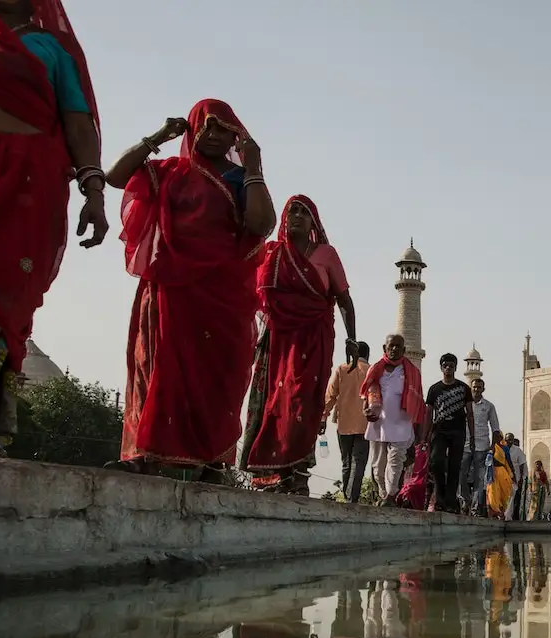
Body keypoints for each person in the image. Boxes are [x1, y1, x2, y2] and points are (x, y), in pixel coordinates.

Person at [105, 99, 276, 481]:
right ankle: (147, 453)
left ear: (236, 136)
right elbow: (116, 176)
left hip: (222, 294)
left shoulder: (237, 177)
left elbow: (261, 224)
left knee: (217, 376)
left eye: (224, 130)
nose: (214, 136)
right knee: (158, 366)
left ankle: (210, 459)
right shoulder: (169, 171)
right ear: (192, 129)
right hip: (170, 288)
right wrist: (158, 137)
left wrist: (254, 168)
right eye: (207, 127)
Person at [0, 0, 107, 456]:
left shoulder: (52, 50)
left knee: (1, 296)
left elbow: (76, 120)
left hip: (27, 187)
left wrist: (94, 190)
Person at [239, 195, 356, 494]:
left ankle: (299, 473)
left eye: (305, 212)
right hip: (277, 340)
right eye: (293, 211)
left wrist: (351, 338)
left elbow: (343, 299)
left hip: (312, 338)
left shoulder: (326, 254)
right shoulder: (272, 253)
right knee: (274, 404)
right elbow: (255, 296)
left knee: (302, 402)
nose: (297, 217)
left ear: (314, 222)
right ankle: (277, 475)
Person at [361, 334, 425, 502]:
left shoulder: (412, 372)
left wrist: (418, 433)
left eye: (398, 346)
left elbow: (419, 402)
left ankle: (390, 495)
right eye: (391, 346)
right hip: (380, 422)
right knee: (378, 465)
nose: (395, 349)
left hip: (402, 423)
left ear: (404, 350)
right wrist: (366, 411)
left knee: (396, 460)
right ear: (385, 348)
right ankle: (384, 493)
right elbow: (367, 393)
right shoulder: (376, 369)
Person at [422, 353, 475, 513]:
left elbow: (470, 413)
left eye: (451, 366)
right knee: (436, 463)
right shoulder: (434, 389)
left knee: (454, 466)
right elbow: (428, 414)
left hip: (458, 431)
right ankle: (440, 497)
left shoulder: (464, 388)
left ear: (455, 368)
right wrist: (424, 436)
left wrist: (472, 436)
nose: (448, 368)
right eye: (445, 365)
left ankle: (450, 502)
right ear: (441, 367)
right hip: (439, 430)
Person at [323, 341, 370, 503]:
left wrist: (324, 417)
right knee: (358, 461)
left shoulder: (342, 369)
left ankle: (347, 494)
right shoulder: (371, 371)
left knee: (346, 462)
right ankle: (352, 497)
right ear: (367, 355)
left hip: (343, 423)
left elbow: (330, 395)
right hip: (365, 424)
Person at [459, 377, 500, 515]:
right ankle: (466, 500)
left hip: (482, 446)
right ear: (471, 388)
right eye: (474, 387)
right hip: (465, 445)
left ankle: (475, 508)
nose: (476, 389)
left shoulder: (488, 406)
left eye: (479, 387)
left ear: (483, 389)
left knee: (479, 478)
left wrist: (493, 446)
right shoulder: (465, 405)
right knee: (461, 475)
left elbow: (495, 428)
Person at [485, 432, 514, 520]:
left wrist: (513, 473)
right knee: (493, 492)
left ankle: (501, 512)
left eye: (498, 437)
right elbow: (487, 461)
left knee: (504, 493)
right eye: (495, 437)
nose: (497, 438)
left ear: (501, 438)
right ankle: (494, 512)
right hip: (493, 473)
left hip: (502, 472)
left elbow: (508, 461)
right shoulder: (491, 448)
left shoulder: (504, 448)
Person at [505, 433, 529, 520]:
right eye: (507, 440)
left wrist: (522, 478)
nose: (509, 442)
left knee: (513, 497)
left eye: (510, 440)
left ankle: (511, 517)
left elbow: (522, 464)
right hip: (504, 477)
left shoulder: (517, 450)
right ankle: (505, 516)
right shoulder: (503, 449)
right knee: (505, 497)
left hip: (516, 478)